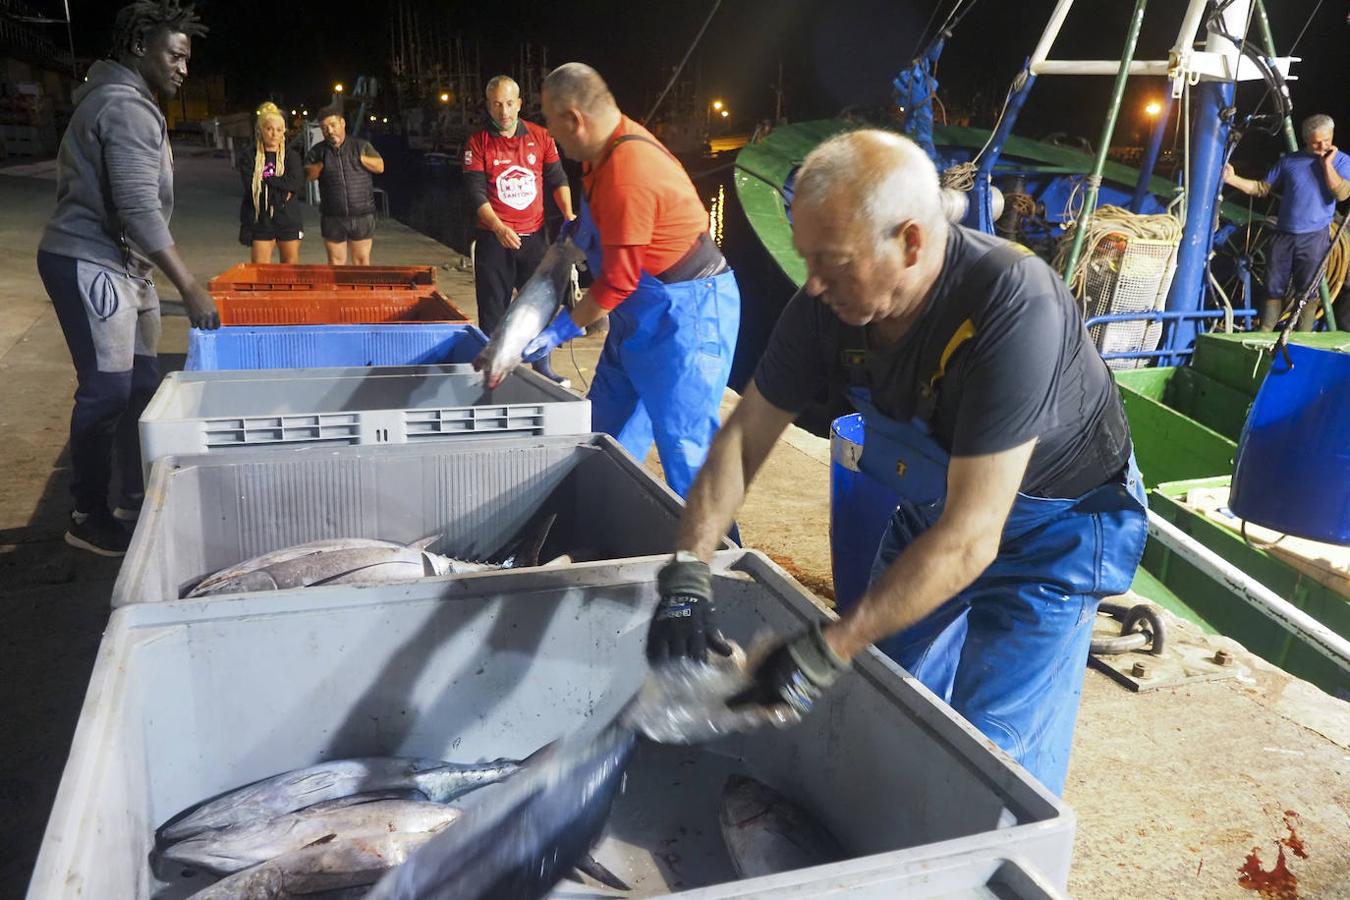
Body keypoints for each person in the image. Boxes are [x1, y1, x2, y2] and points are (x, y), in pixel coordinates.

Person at [646, 130, 1148, 797]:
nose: (814, 284)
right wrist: (687, 571)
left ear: (911, 241)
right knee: (880, 692)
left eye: (832, 262)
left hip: (1053, 533)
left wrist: (829, 644)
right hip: (940, 508)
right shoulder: (825, 303)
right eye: (806, 261)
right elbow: (742, 441)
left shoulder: (1011, 304)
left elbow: (972, 540)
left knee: (991, 763)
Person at [36, 0, 219, 557]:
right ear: (140, 46)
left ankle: (134, 500)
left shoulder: (129, 100)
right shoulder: (125, 107)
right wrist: (188, 285)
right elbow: (138, 207)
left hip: (127, 266)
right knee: (107, 391)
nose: (183, 69)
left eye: (187, 58)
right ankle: (87, 512)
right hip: (90, 258)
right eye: (176, 55)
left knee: (141, 387)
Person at [530, 62, 740, 500]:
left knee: (686, 450)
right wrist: (579, 234)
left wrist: (560, 330)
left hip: (686, 313)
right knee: (604, 435)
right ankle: (599, 525)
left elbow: (616, 284)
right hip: (638, 314)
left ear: (575, 119)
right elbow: (601, 228)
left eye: (552, 123)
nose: (551, 134)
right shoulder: (599, 155)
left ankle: (718, 561)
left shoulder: (629, 170)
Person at [464, 75, 575, 386]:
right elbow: (475, 194)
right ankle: (492, 369)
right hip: (494, 239)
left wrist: (569, 214)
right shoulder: (477, 142)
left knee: (540, 304)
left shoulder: (540, 136)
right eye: (497, 104)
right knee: (493, 307)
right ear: (488, 105)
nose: (504, 111)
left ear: (519, 103)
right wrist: (497, 226)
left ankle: (543, 364)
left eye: (510, 103)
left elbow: (558, 178)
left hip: (535, 237)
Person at [1223, 114, 1350, 331]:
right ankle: (1266, 330)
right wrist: (1232, 179)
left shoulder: (1341, 161)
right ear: (1305, 139)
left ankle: (1303, 337)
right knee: (1273, 286)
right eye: (1316, 142)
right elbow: (1262, 189)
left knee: (1308, 290)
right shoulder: (1289, 161)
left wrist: (1327, 164)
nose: (1323, 145)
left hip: (1314, 236)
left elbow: (1341, 194)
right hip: (1283, 234)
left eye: (1327, 140)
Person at [303, 105, 384, 265]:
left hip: (362, 214)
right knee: (336, 263)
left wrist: (360, 159)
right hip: (332, 216)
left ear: (343, 123)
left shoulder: (361, 145)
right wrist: (319, 166)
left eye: (333, 125)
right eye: (325, 128)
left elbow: (380, 166)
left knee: (362, 261)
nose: (330, 131)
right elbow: (308, 176)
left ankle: (361, 291)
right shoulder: (317, 151)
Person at [240, 101, 303, 263]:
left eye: (279, 130)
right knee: (259, 270)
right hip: (261, 220)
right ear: (260, 130)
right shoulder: (249, 156)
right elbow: (251, 188)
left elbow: (294, 184)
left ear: (284, 133)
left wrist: (268, 179)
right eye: (269, 129)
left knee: (290, 271)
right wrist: (282, 191)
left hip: (288, 219)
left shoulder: (292, 156)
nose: (274, 134)